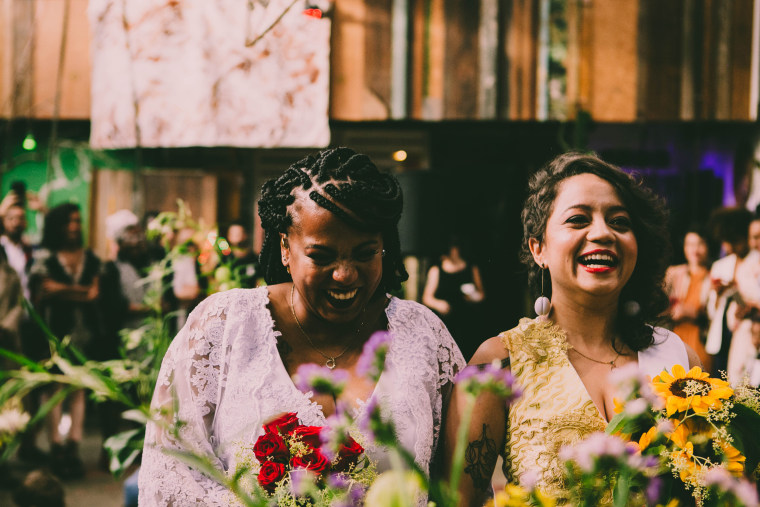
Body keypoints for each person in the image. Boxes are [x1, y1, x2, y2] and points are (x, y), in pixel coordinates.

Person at [139, 147, 465, 505]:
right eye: (321, 256)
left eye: (364, 253)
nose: (345, 274)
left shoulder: (424, 336)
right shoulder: (224, 326)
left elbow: (460, 488)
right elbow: (170, 477)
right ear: (284, 247)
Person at [444, 152, 701, 505]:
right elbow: (458, 499)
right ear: (539, 248)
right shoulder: (498, 366)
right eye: (578, 219)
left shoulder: (679, 361)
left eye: (620, 222)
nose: (602, 233)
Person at [29, 203, 102, 480]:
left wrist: (63, 290)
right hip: (52, 334)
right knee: (54, 389)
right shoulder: (46, 257)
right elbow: (41, 295)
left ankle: (73, 444)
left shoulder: (90, 258)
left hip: (83, 335)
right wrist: (80, 292)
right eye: (69, 221)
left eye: (77, 220)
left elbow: (93, 294)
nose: (74, 226)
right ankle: (56, 446)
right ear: (58, 225)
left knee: (79, 390)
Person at [705, 207, 754, 375]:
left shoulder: (755, 262)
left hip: (748, 335)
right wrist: (718, 295)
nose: (730, 247)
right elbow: (712, 311)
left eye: (735, 241)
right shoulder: (720, 266)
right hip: (721, 336)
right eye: (726, 242)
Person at [422, 235, 486, 361]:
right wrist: (438, 304)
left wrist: (473, 297)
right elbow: (427, 297)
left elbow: (481, 294)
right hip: (445, 323)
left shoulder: (471, 267)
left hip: (465, 321)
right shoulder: (437, 270)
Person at [664, 227, 712, 372]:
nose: (694, 249)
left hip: (702, 338)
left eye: (700, 244)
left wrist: (694, 313)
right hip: (677, 335)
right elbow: (657, 304)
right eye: (690, 244)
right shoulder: (674, 273)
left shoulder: (714, 275)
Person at [220, 220, 260, 288]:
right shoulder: (224, 260)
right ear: (228, 236)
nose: (236, 237)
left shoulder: (256, 259)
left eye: (239, 233)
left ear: (246, 235)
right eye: (233, 234)